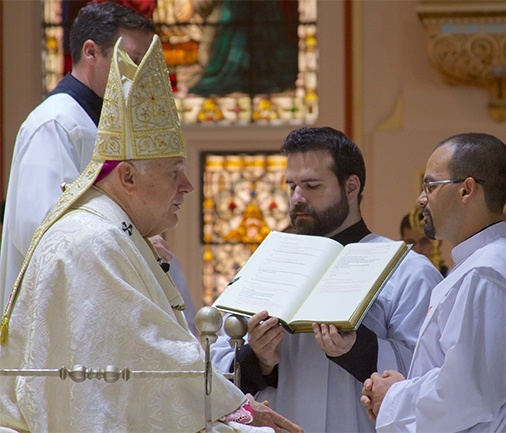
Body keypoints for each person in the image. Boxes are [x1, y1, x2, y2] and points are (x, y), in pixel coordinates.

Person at [0, 35, 301, 433]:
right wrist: (241, 408)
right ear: (126, 176)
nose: (187, 186)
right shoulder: (91, 242)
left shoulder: (111, 231)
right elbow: (153, 359)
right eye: (173, 171)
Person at [211, 126, 443, 432]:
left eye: (312, 185)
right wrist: (258, 359)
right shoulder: (264, 267)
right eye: (291, 185)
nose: (297, 198)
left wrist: (356, 349)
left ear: (351, 186)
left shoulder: (408, 270)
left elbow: (429, 374)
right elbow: (215, 370)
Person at [0, 1, 197, 330]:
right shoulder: (57, 123)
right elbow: (46, 235)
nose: (139, 79)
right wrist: (136, 247)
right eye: (131, 62)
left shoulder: (111, 125)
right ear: (91, 52)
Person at [361, 132, 506, 432]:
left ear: (466, 190)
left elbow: (468, 394)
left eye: (430, 185)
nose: (421, 199)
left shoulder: (485, 275)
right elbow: (473, 379)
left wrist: (394, 396)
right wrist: (404, 386)